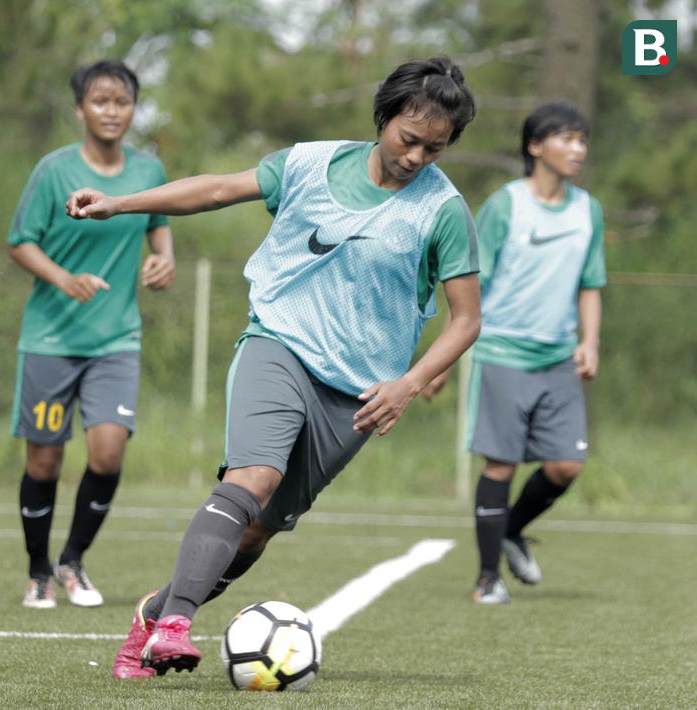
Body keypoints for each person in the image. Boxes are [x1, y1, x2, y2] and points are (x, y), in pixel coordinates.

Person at [66, 57, 481, 678]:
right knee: (253, 475)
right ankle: (177, 625)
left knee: (257, 530)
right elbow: (212, 190)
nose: (418, 156)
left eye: (435, 148)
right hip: (278, 343)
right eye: (408, 138)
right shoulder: (310, 164)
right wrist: (119, 204)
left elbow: (466, 319)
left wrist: (409, 384)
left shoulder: (442, 212)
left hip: (358, 392)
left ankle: (152, 614)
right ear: (384, 118)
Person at [7, 60, 175, 610]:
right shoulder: (53, 170)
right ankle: (38, 573)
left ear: (133, 109)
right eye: (99, 101)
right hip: (51, 340)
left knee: (107, 454)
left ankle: (72, 561)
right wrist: (63, 278)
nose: (111, 111)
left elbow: (159, 227)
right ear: (80, 109)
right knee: (45, 463)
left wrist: (162, 262)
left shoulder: (149, 171)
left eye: (121, 101)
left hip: (116, 341)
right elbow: (20, 241)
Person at [458, 103, 605, 604]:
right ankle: (487, 578)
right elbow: (472, 278)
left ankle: (511, 530)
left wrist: (589, 342)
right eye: (566, 138)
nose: (578, 149)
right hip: (502, 352)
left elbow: (590, 283)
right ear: (534, 146)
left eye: (582, 140)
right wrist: (456, 345)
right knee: (500, 465)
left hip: (559, 358)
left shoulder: (589, 210)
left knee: (566, 466)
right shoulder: (505, 205)